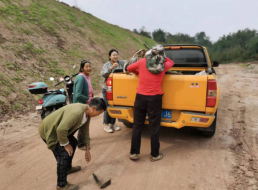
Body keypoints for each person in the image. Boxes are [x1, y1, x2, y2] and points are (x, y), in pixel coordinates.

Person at [39, 98, 106, 190]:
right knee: (64, 154)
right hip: (50, 132)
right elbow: (61, 129)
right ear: (94, 108)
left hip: (60, 131)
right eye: (99, 113)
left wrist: (87, 150)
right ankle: (61, 185)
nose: (98, 116)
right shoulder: (77, 112)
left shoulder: (87, 114)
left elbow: (85, 132)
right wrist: (66, 144)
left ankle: (67, 168)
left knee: (73, 142)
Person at [126, 45, 174, 162]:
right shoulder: (164, 65)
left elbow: (129, 68)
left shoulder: (142, 62)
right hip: (155, 99)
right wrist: (163, 57)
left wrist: (139, 72)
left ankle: (134, 153)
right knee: (154, 127)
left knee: (137, 126)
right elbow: (171, 62)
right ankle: (155, 154)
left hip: (140, 97)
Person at [101, 49, 125, 133]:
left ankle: (112, 123)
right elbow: (103, 74)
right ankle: (106, 124)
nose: (115, 56)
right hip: (107, 89)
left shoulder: (121, 63)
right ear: (109, 56)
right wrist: (111, 68)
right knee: (108, 106)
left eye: (116, 55)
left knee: (115, 106)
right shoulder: (106, 65)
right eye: (113, 55)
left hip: (117, 89)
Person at [73, 60, 94, 150]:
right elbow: (78, 94)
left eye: (90, 66)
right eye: (86, 67)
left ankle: (83, 140)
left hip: (86, 104)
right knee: (83, 124)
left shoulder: (86, 77)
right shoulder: (81, 78)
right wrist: (88, 99)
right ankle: (81, 144)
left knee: (85, 123)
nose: (89, 68)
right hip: (82, 105)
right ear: (82, 68)